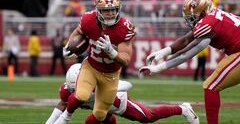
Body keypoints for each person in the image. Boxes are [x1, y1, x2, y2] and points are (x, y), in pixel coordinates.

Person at [139, 0, 240, 124]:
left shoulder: (208, 24)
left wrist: (159, 67)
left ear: (203, 11)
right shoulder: (215, 16)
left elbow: (187, 53)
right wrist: (164, 52)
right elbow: (187, 39)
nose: (190, 20)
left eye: (193, 17)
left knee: (211, 86)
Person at [62, 0, 136, 123]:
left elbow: (125, 60)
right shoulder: (88, 19)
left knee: (101, 114)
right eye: (106, 10)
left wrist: (112, 52)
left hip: (110, 74)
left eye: (114, 9)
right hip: (91, 66)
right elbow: (79, 31)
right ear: (98, 11)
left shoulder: (125, 28)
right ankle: (64, 118)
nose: (111, 13)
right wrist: (69, 44)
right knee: (81, 95)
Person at [46, 63, 199, 124]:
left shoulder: (94, 84)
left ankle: (183, 108)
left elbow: (126, 85)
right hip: (100, 110)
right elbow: (63, 106)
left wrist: (109, 88)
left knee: (148, 117)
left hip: (116, 101)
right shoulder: (68, 91)